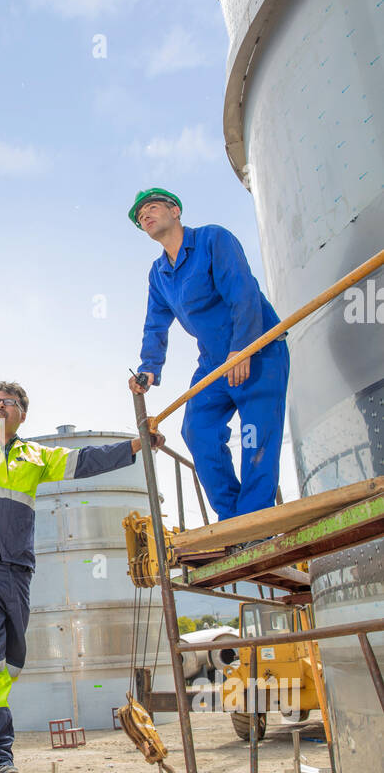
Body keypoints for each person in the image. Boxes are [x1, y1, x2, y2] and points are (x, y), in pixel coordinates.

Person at [0, 321, 164, 773]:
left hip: (17, 573)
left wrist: (135, 445)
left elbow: (88, 463)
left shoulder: (35, 458)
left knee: (9, 665)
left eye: (12, 402)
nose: (1, 405)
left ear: (24, 415)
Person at [127, 188, 289, 522]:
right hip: (213, 362)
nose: (145, 215)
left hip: (258, 347)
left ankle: (256, 520)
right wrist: (149, 368)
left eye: (152, 207)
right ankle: (233, 518)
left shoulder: (214, 239)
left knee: (255, 436)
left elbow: (242, 290)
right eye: (140, 216)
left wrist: (243, 347)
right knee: (197, 430)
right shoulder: (159, 274)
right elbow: (155, 323)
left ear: (176, 211)